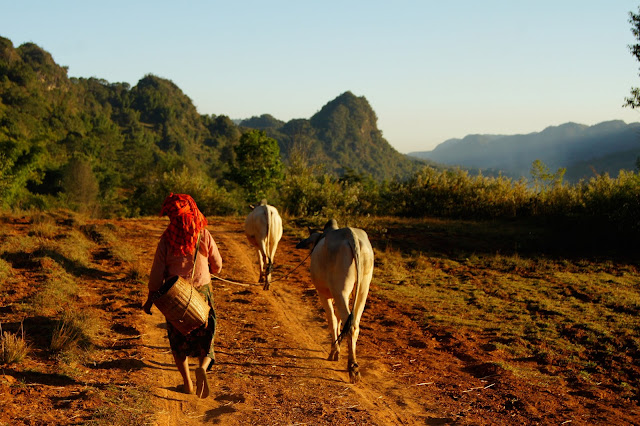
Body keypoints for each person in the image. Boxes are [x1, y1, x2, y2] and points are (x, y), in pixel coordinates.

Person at [142, 193, 223, 398]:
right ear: (193, 212)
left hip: (176, 297)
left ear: (172, 217)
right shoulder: (203, 234)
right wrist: (209, 270)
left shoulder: (166, 241)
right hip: (202, 293)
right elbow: (218, 265)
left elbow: (156, 276)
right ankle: (203, 368)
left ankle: (187, 384)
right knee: (206, 336)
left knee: (178, 340)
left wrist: (150, 299)